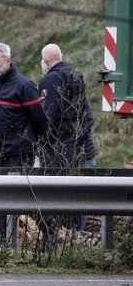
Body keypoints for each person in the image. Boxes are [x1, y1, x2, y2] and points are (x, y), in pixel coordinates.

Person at [0, 42, 47, 244]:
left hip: (19, 153)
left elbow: (40, 119)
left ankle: (50, 233)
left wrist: (30, 141)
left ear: (8, 60)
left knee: (23, 197)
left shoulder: (24, 86)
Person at [39, 43, 97, 232]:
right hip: (83, 150)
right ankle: (76, 237)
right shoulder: (75, 77)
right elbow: (88, 116)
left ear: (46, 61)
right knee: (80, 198)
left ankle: (63, 237)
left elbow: (49, 118)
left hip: (61, 152)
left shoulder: (50, 80)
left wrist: (44, 142)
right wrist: (79, 139)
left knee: (60, 198)